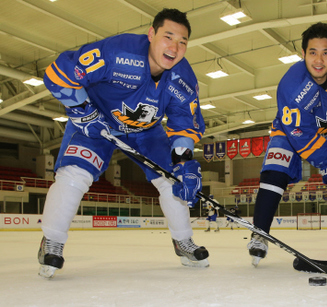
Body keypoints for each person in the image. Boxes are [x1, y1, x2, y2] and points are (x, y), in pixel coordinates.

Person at [38, 8, 208, 278]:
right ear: (151, 34)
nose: (174, 47)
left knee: (174, 181)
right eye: (168, 36)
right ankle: (52, 240)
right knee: (74, 176)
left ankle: (183, 241)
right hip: (97, 122)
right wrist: (81, 110)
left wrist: (183, 162)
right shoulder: (118, 53)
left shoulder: (183, 79)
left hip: (147, 132)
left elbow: (184, 125)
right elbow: (59, 72)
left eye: (183, 41)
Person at [247, 22, 327, 267]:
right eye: (312, 52)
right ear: (303, 54)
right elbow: (302, 136)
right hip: (290, 132)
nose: (319, 60)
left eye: (325, 52)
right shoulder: (292, 85)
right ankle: (259, 234)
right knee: (275, 173)